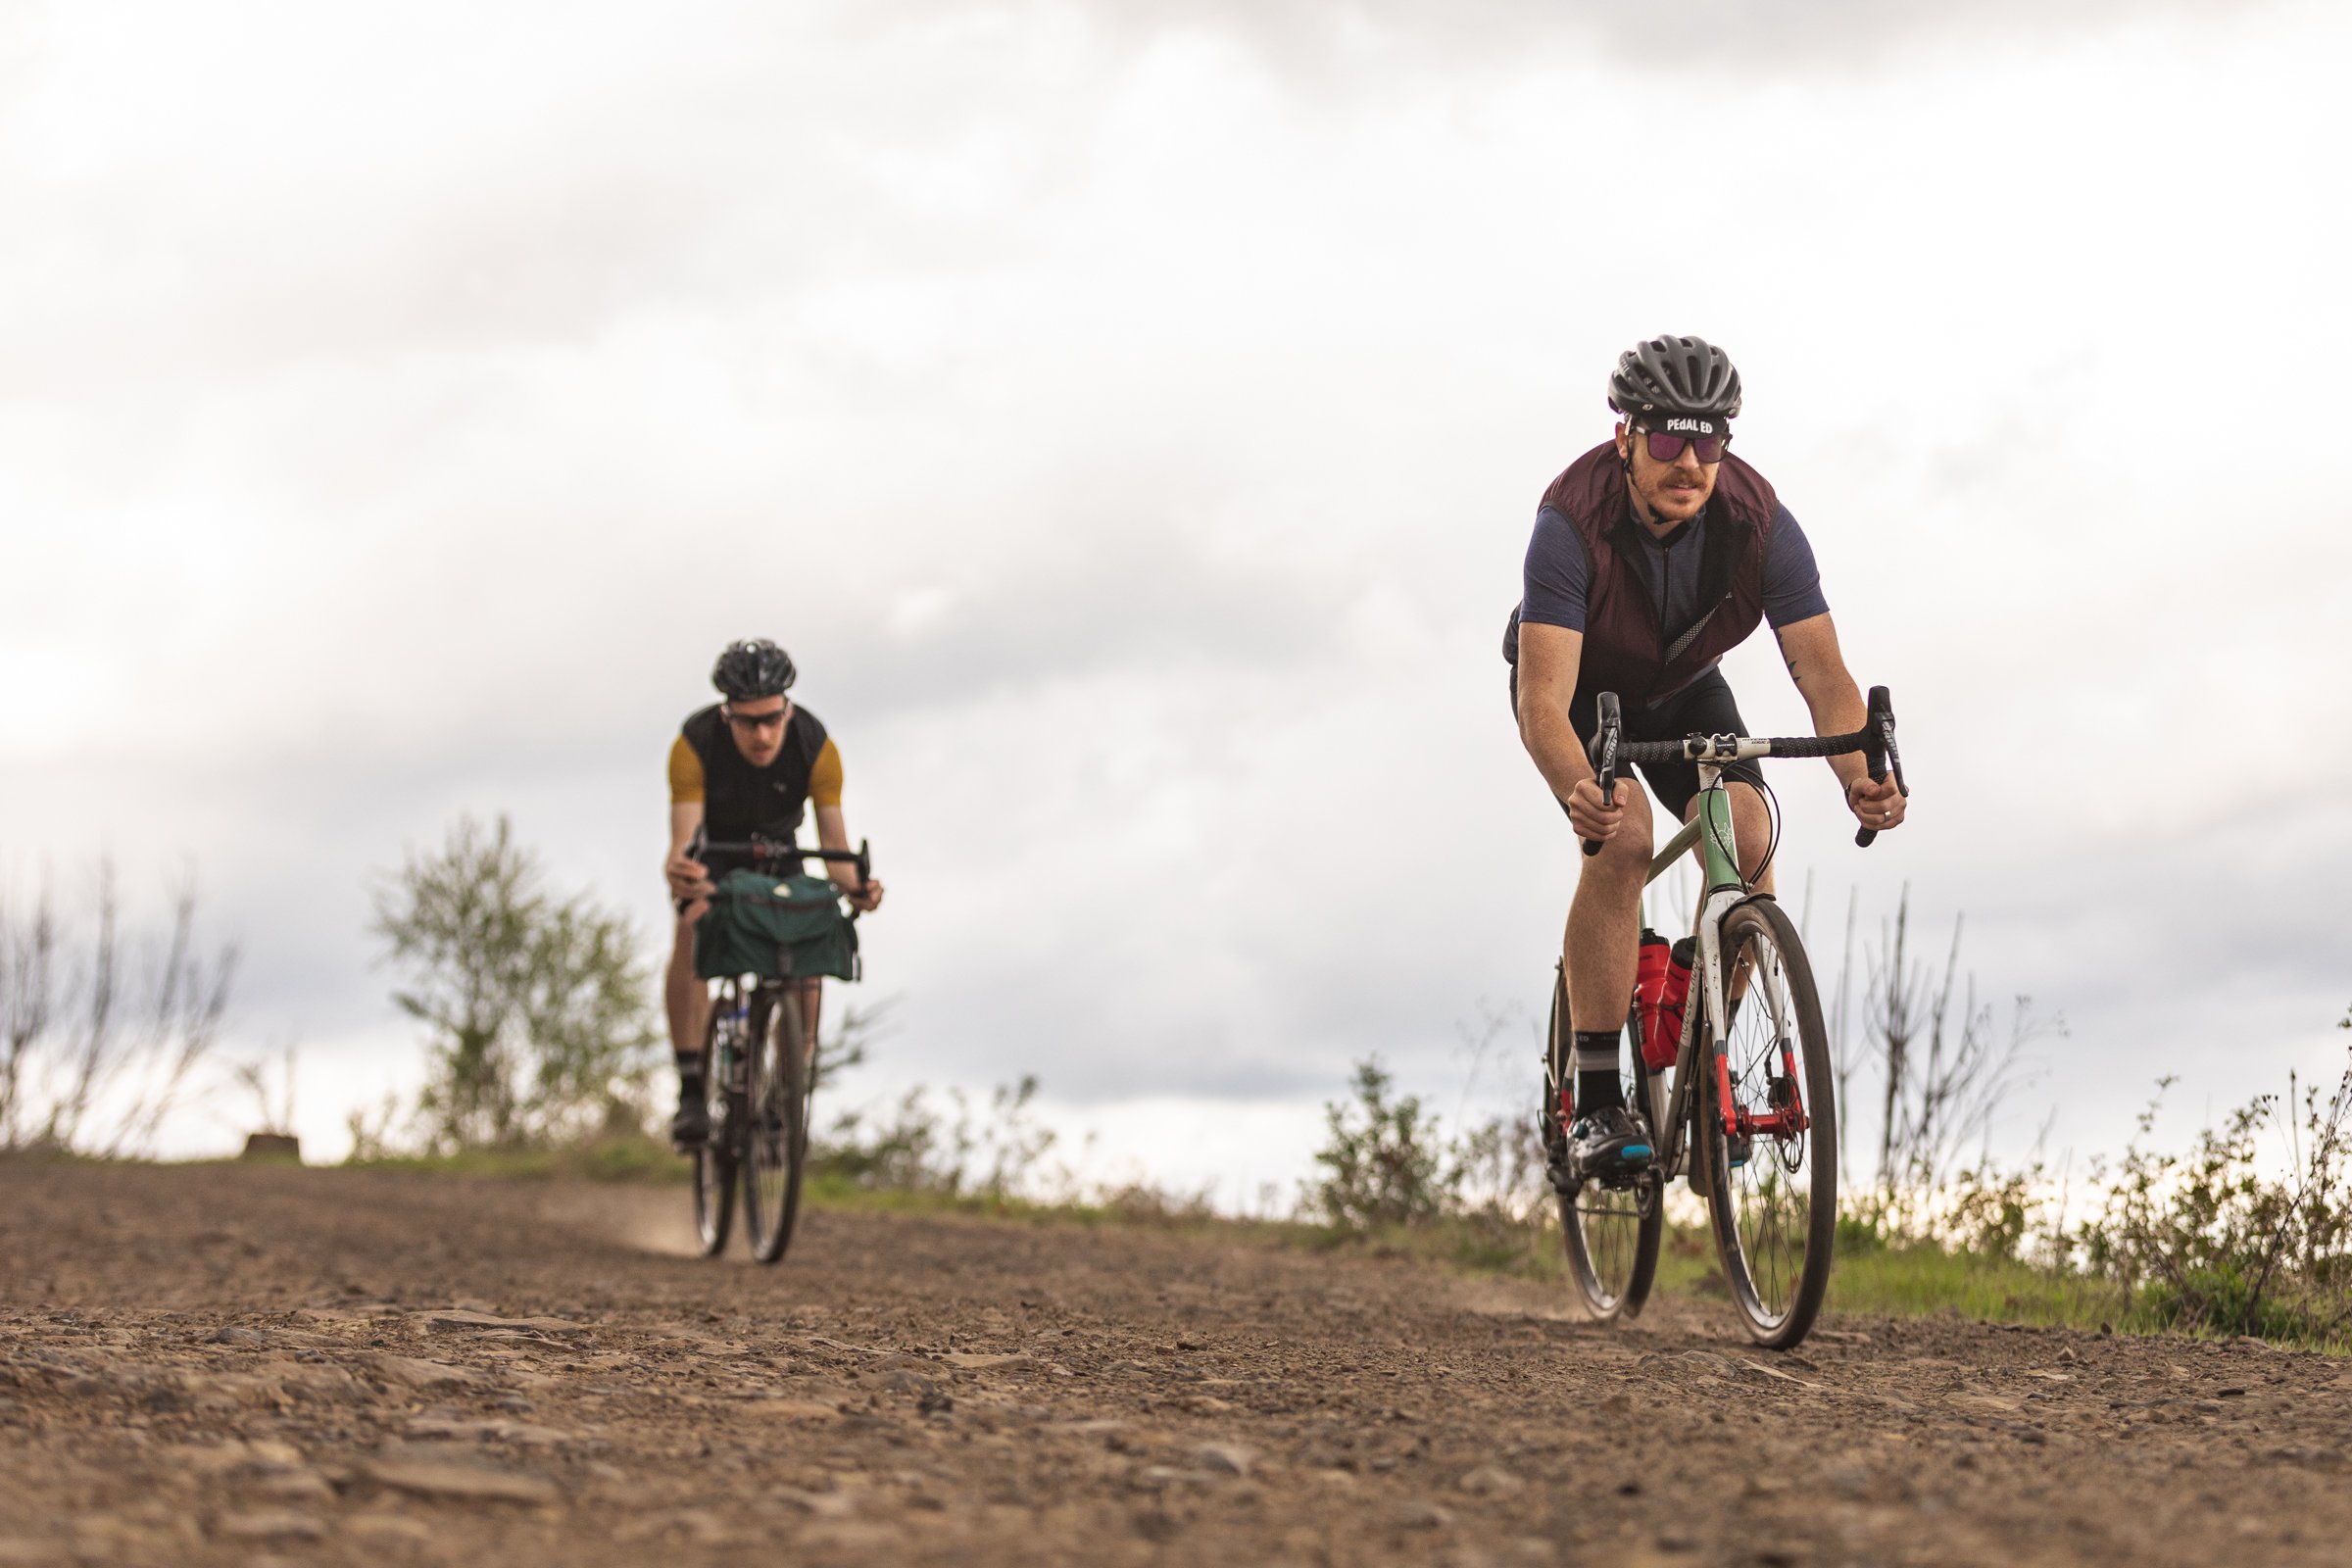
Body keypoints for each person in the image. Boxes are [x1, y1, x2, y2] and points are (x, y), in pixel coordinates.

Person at [1506, 334, 1907, 1175]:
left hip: (1684, 686)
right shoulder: (1570, 522)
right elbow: (1541, 702)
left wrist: (1860, 779)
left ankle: (1696, 1038)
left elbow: (1824, 674)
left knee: (1748, 836)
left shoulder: (1759, 523)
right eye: (1666, 440)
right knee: (1624, 839)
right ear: (1625, 437)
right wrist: (1580, 788)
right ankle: (1598, 1098)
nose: (1688, 462)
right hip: (1581, 690)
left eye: (1709, 440)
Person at [662, 638, 885, 1145]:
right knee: (691, 925)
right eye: (747, 722)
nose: (761, 734)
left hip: (781, 852)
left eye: (771, 719)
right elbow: (683, 844)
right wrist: (684, 874)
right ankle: (692, 1087)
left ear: (787, 708)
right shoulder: (695, 743)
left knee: (807, 949)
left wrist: (858, 889)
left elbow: (835, 849)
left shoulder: (815, 744)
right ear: (726, 714)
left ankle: (788, 1091)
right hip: (716, 853)